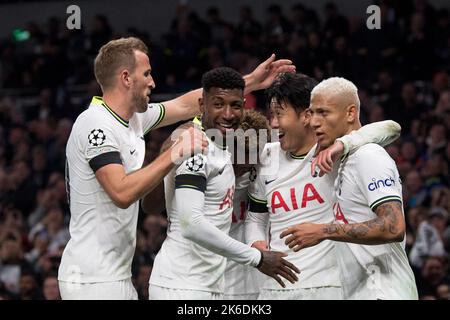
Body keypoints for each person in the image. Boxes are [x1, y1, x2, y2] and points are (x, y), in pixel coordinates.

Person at [58, 37, 295, 300]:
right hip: (92, 277)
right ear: (126, 78)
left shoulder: (133, 120)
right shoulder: (96, 124)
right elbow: (121, 193)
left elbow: (185, 104)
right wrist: (174, 153)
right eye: (146, 74)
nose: (152, 82)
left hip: (115, 273)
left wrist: (249, 81)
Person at [245, 73, 403, 299]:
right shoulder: (266, 157)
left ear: (306, 116)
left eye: (279, 114)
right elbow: (256, 217)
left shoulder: (335, 154)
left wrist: (342, 144)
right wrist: (258, 246)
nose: (273, 123)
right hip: (274, 287)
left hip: (328, 286)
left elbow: (392, 128)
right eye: (271, 115)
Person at [148, 67, 300, 300]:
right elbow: (191, 223)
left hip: (208, 284)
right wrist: (257, 258)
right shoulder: (195, 148)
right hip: (181, 286)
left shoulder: (223, 151)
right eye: (218, 104)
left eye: (236, 105)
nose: (228, 113)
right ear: (202, 106)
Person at [282, 76, 418, 299]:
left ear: (350, 113)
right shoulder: (343, 159)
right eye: (312, 112)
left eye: (323, 112)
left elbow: (393, 226)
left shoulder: (369, 156)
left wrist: (322, 231)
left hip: (384, 291)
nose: (314, 122)